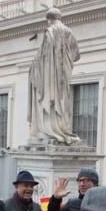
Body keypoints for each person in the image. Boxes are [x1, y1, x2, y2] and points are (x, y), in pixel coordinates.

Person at [27, 8, 80, 144]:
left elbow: (43, 55)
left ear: (49, 19)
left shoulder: (50, 32)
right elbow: (77, 54)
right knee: (62, 100)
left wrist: (34, 66)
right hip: (64, 74)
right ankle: (61, 128)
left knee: (50, 97)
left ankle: (51, 129)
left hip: (49, 76)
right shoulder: (69, 31)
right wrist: (65, 61)